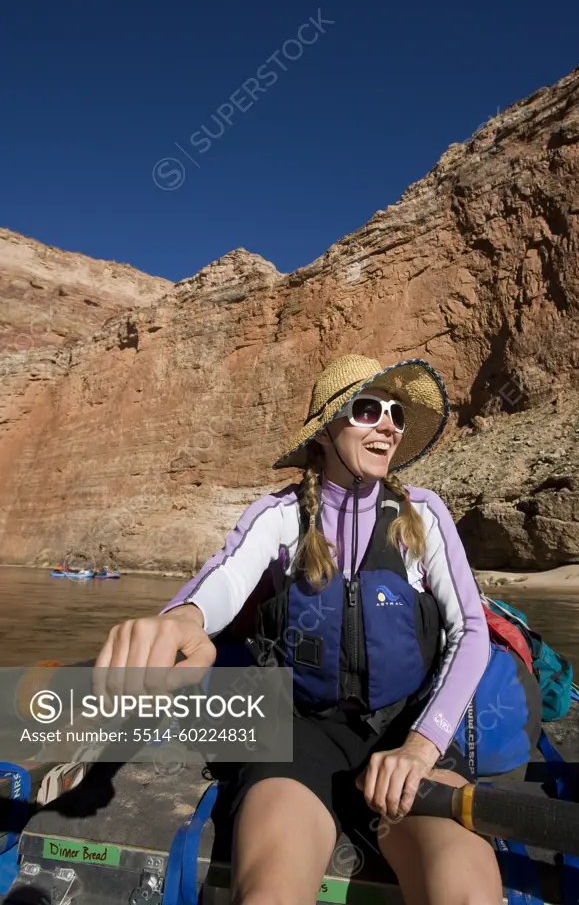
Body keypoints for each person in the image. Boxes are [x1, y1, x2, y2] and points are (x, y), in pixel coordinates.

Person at [95, 354, 503, 905]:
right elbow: (224, 578)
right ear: (326, 432)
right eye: (367, 410)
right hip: (297, 736)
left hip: (404, 737)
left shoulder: (424, 516)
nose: (388, 425)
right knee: (269, 895)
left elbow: (471, 631)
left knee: (467, 893)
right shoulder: (279, 516)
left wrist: (420, 746)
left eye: (396, 415)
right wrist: (179, 621)